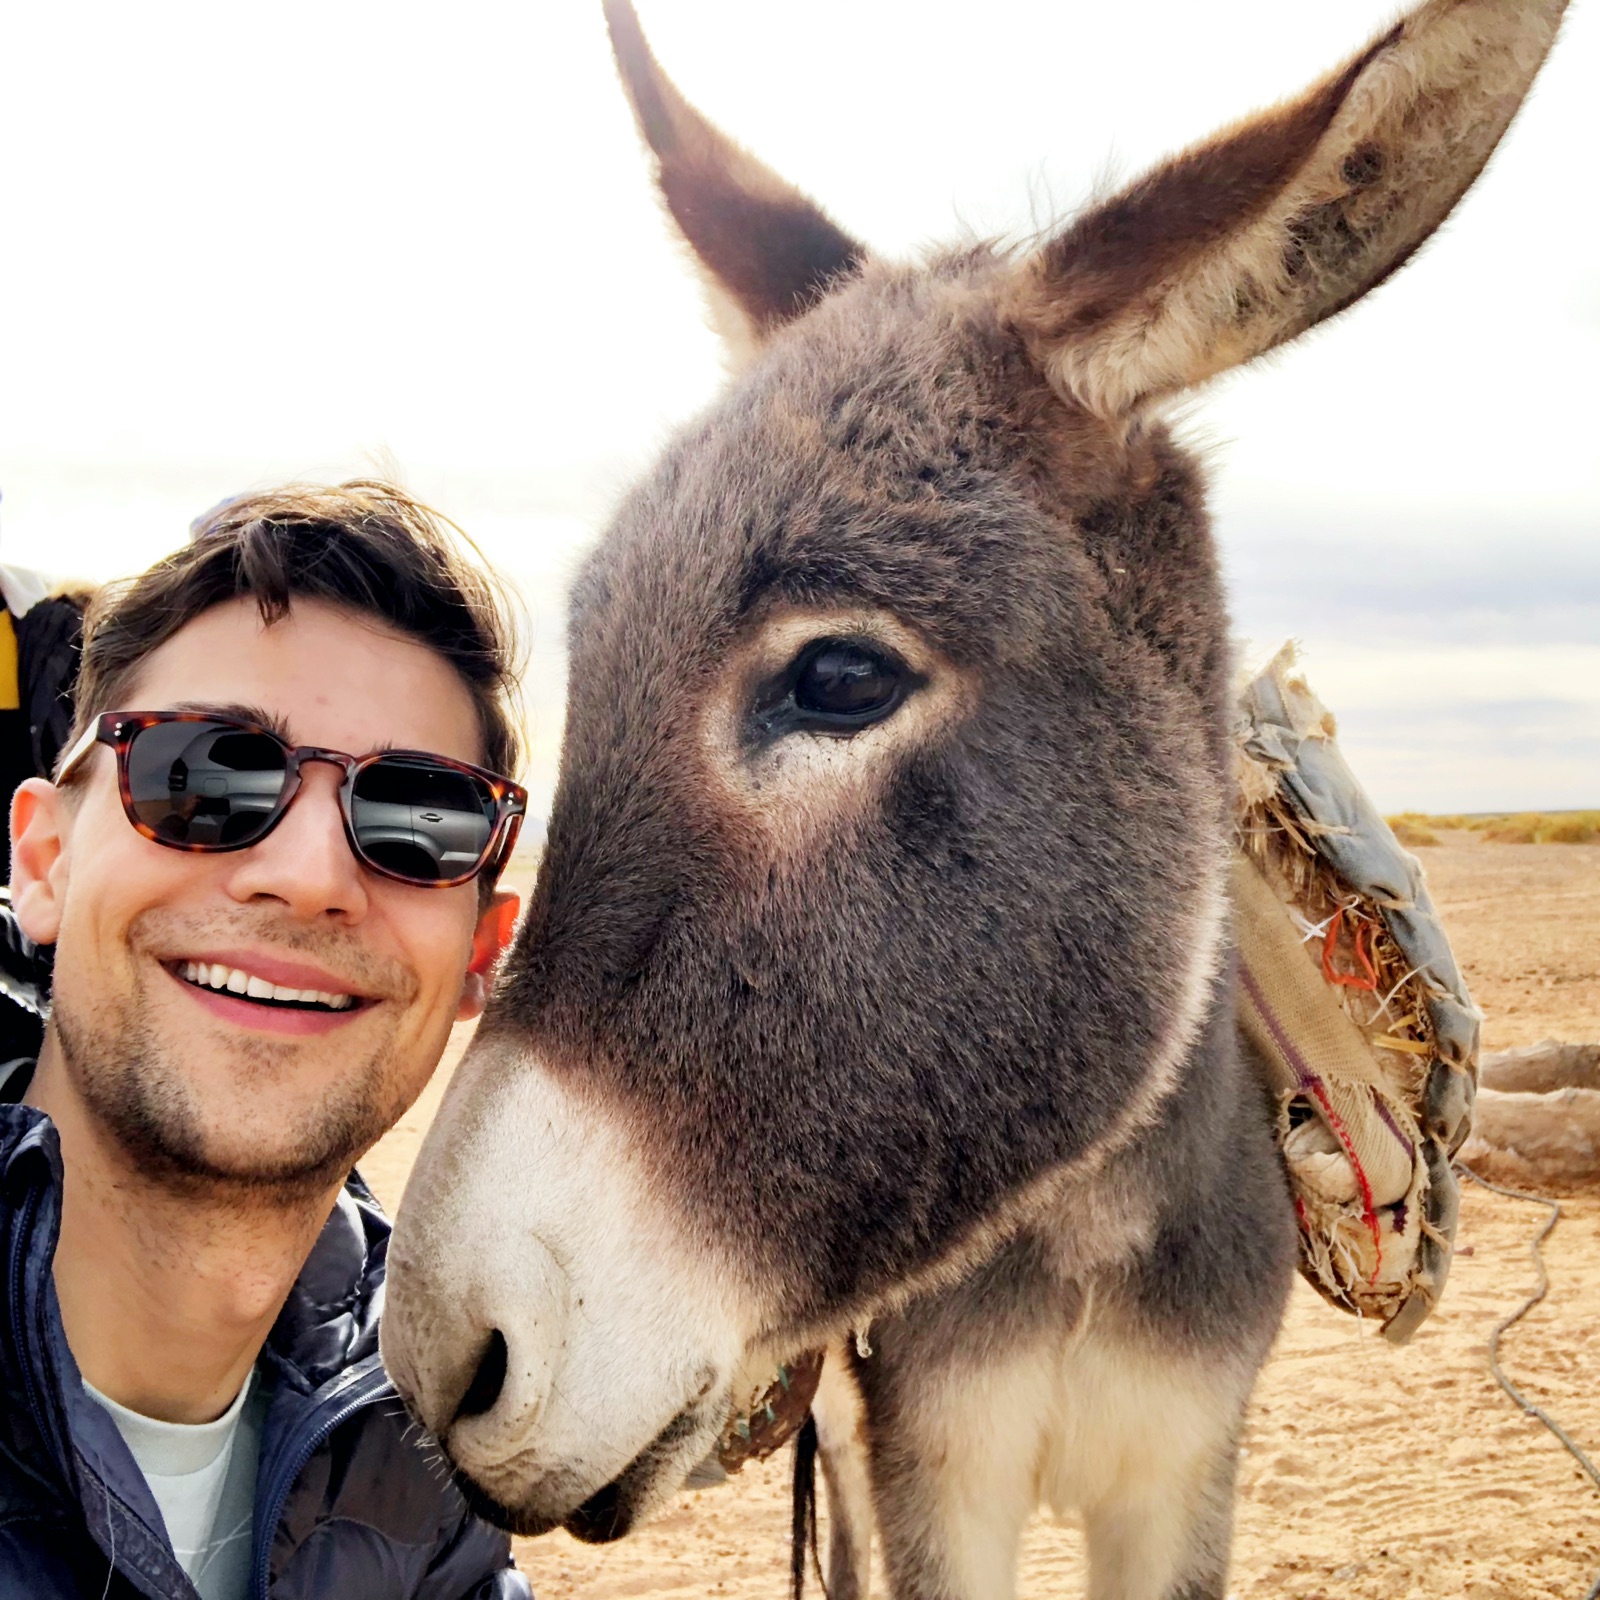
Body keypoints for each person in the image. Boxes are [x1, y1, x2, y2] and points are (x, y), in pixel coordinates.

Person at [0, 481, 534, 1599]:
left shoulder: (421, 1473)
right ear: (43, 862)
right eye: (203, 774)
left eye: (418, 817)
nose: (307, 876)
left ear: (482, 950)